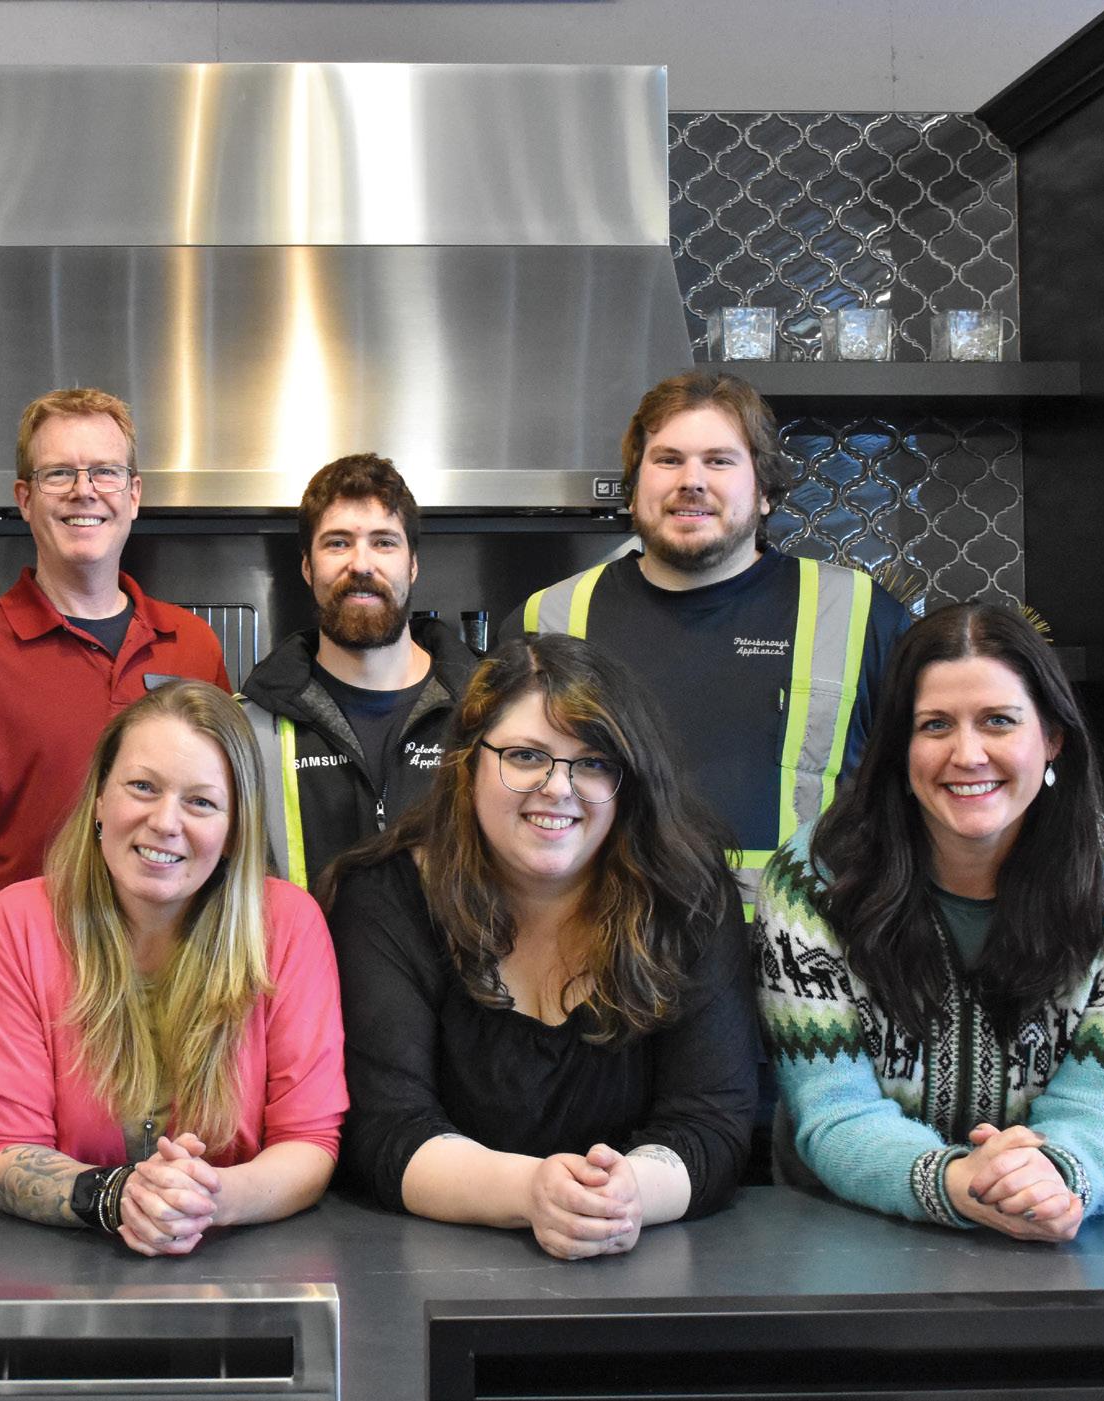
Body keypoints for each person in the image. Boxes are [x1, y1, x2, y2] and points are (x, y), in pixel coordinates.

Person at [323, 635, 755, 1261]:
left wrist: (626, 1194)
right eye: (526, 756)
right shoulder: (386, 898)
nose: (558, 787)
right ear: (468, 763)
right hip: (434, 1274)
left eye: (594, 762)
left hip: (643, 1266)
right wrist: (532, 1193)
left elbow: (712, 1120)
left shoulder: (687, 896)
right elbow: (388, 1128)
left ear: (629, 783)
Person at [756, 603, 1104, 1239]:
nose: (968, 754)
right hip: (842, 1240)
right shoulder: (812, 883)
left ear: (1053, 738)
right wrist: (954, 1182)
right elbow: (833, 1112)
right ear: (900, 748)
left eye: (999, 721)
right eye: (935, 725)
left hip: (1041, 1238)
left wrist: (1053, 1178)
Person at [0, 681, 345, 1256]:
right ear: (99, 799)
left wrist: (205, 1201)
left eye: (201, 802)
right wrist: (119, 1197)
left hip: (242, 1262)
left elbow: (308, 1142)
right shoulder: (18, 922)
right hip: (59, 1269)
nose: (165, 822)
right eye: (143, 787)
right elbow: (4, 1148)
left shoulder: (289, 924)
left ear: (235, 829)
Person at [504, 368, 909, 914]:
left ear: (764, 492)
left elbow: (913, 804)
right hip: (602, 944)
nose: (691, 480)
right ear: (634, 489)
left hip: (801, 953)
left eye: (719, 460)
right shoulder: (547, 620)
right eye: (668, 460)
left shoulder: (860, 615)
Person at [0, 387, 229, 902]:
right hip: (24, 952)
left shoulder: (194, 645)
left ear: (134, 495)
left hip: (178, 952)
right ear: (25, 499)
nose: (83, 491)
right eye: (59, 474)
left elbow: (221, 827)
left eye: (105, 472)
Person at [240, 453, 480, 888]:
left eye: (384, 542)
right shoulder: (249, 727)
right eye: (338, 543)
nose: (362, 564)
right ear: (307, 567)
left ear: (412, 564)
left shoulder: (487, 710)